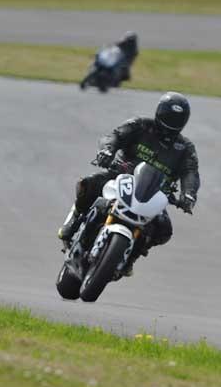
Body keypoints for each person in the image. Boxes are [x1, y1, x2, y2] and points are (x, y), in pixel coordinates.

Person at [58, 92, 200, 276]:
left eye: (177, 119)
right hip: (120, 177)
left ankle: (131, 255)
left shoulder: (185, 148)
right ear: (159, 113)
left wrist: (189, 194)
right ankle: (74, 220)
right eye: (169, 117)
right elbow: (115, 136)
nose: (171, 122)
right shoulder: (140, 125)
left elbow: (191, 172)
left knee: (164, 230)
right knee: (89, 184)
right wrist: (107, 150)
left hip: (153, 194)